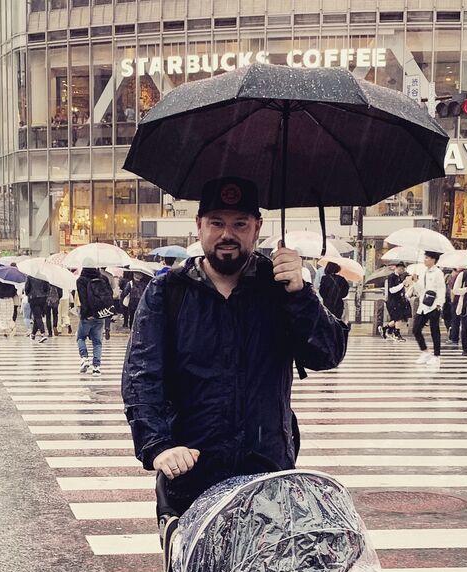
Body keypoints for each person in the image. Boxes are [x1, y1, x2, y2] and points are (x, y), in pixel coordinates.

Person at [121, 175, 348, 513]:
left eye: (239, 224)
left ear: (257, 228)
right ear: (199, 226)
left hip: (267, 475)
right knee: (191, 567)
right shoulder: (168, 292)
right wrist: (157, 446)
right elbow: (141, 376)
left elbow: (326, 354)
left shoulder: (280, 288)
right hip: (190, 475)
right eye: (217, 223)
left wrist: (301, 294)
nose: (227, 234)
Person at [76, 265, 115, 374]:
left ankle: (84, 358)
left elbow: (83, 298)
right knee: (97, 342)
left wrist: (84, 314)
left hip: (88, 315)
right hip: (100, 314)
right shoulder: (103, 278)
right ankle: (96, 367)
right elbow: (110, 295)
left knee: (80, 337)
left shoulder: (81, 280)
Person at [411, 251, 445, 367]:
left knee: (434, 331)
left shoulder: (438, 272)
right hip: (423, 306)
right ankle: (425, 351)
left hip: (434, 306)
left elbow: (441, 289)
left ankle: (436, 356)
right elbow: (421, 290)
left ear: (433, 260)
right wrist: (415, 281)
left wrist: (439, 304)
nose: (424, 260)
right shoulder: (424, 272)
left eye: (427, 258)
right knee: (415, 329)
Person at [383, 262, 412, 339]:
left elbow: (400, 290)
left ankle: (386, 328)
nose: (402, 270)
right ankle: (396, 334)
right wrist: (402, 284)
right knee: (398, 318)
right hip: (393, 301)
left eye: (403, 269)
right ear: (396, 268)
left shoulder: (399, 277)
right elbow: (391, 290)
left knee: (399, 318)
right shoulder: (391, 277)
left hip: (399, 301)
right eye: (400, 268)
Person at [25, 275, 51, 340]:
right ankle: (33, 334)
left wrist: (28, 294)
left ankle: (43, 333)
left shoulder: (30, 277)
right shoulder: (44, 276)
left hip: (33, 298)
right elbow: (47, 288)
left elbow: (27, 288)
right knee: (38, 317)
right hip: (43, 299)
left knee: (38, 317)